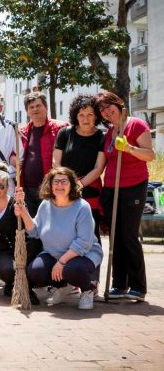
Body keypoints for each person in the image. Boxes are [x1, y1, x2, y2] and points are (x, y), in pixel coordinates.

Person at [15, 167, 104, 310]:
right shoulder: (46, 205)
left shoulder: (82, 207)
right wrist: (23, 211)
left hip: (84, 254)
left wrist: (61, 262)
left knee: (72, 269)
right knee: (35, 271)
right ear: (50, 185)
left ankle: (87, 290)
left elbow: (84, 242)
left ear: (72, 184)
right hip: (54, 253)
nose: (60, 185)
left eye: (64, 181)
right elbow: (35, 231)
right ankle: (61, 286)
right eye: (56, 182)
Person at [97, 91, 154, 301]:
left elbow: (150, 154)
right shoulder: (110, 131)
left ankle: (138, 286)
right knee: (115, 236)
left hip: (133, 186)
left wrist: (128, 148)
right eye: (102, 109)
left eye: (108, 106)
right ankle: (119, 284)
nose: (106, 111)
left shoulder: (135, 125)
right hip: (112, 188)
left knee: (129, 236)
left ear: (118, 103)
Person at [53, 94, 106, 282]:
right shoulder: (65, 133)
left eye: (90, 114)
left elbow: (99, 167)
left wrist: (78, 184)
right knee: (67, 235)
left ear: (96, 116)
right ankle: (68, 280)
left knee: (91, 237)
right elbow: (56, 161)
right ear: (75, 115)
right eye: (82, 114)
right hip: (64, 193)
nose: (86, 119)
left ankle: (92, 280)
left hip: (90, 191)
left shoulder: (101, 136)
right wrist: (64, 183)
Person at [0, 163, 42, 304]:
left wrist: (21, 209)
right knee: (9, 271)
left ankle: (26, 287)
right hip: (1, 251)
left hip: (22, 248)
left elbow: (30, 227)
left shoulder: (16, 202)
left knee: (26, 268)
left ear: (8, 188)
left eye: (1, 186)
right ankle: (11, 283)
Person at [19, 92, 68, 216]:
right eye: (31, 107)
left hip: (52, 187)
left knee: (51, 225)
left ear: (46, 107)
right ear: (27, 111)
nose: (35, 109)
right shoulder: (22, 132)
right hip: (28, 189)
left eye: (38, 105)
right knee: (32, 227)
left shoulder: (61, 128)